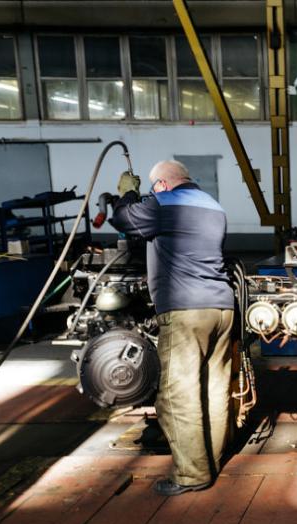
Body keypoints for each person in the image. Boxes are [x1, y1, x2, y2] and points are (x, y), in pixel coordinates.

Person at [111, 160, 235, 496]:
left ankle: (192, 475)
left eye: (154, 188)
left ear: (163, 184)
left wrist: (128, 194)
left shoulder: (164, 203)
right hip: (222, 308)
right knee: (213, 389)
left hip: (185, 310)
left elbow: (124, 220)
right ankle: (211, 461)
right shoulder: (213, 205)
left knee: (177, 394)